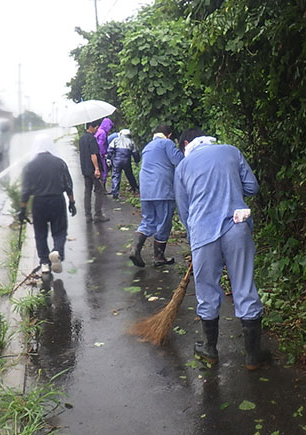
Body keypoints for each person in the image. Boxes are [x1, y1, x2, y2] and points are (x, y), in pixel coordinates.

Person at [174, 128, 270, 371]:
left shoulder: (183, 167)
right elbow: (252, 187)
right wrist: (232, 189)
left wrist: (194, 234)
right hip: (237, 227)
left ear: (187, 144)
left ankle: (210, 351)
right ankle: (252, 357)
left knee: (206, 289)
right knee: (245, 286)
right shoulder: (231, 151)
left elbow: (184, 211)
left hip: (203, 233)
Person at [19, 134, 77, 274]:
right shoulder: (59, 163)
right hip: (57, 200)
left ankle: (44, 262)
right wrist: (72, 201)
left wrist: (22, 209)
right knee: (60, 230)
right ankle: (57, 251)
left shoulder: (30, 165)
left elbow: (25, 189)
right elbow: (68, 184)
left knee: (40, 232)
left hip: (39, 202)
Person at [130, 124, 184, 267]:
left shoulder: (148, 146)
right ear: (169, 135)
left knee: (148, 220)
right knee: (164, 222)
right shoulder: (166, 143)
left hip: (146, 189)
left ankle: (135, 248)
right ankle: (158, 257)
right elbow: (179, 161)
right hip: (162, 189)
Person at [79, 119, 110, 223]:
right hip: (93, 169)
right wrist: (97, 169)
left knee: (87, 191)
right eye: (96, 128)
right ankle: (98, 214)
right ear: (91, 127)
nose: (97, 130)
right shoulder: (92, 139)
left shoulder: (82, 139)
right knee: (99, 190)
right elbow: (93, 155)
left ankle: (88, 215)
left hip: (85, 169)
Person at [108, 128, 140, 199]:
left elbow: (110, 150)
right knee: (129, 174)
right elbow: (135, 152)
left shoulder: (115, 140)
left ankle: (115, 192)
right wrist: (136, 161)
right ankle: (134, 188)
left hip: (117, 161)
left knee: (116, 175)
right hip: (126, 161)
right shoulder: (131, 141)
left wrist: (108, 159)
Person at [94, 118, 114, 191]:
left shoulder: (98, 131)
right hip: (101, 155)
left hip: (96, 153)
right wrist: (104, 154)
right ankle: (102, 188)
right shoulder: (102, 133)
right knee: (104, 170)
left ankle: (97, 187)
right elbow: (101, 144)